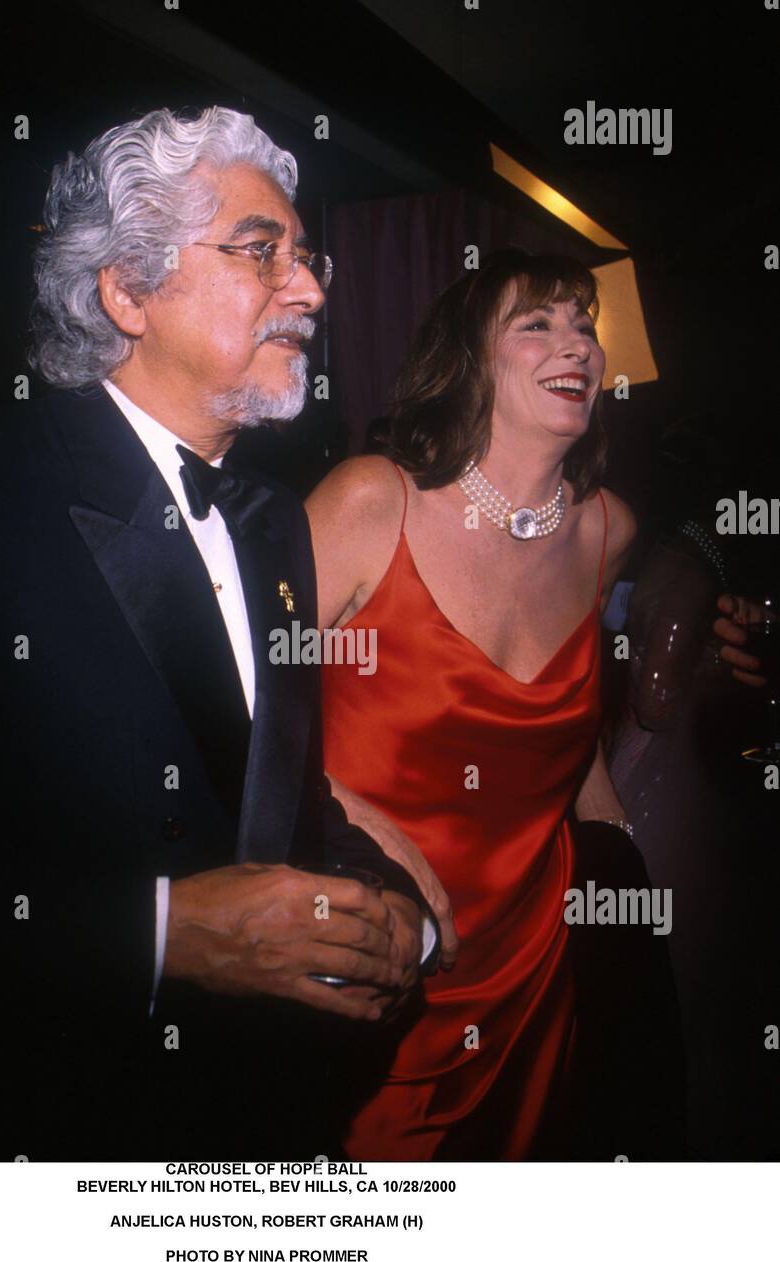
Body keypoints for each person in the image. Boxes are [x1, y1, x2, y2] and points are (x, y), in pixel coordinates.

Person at [0, 106, 428, 1162]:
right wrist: (161, 934)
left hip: (259, 1137)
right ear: (125, 291)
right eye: (262, 251)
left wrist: (398, 917)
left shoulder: (270, 526)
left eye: (307, 259)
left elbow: (280, 802)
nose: (309, 290)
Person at [307, 250, 643, 1160]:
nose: (573, 340)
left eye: (582, 322)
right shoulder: (372, 502)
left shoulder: (609, 531)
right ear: (468, 361)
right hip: (367, 962)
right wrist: (334, 809)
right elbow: (232, 704)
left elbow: (575, 742)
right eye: (535, 323)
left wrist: (633, 900)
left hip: (533, 984)